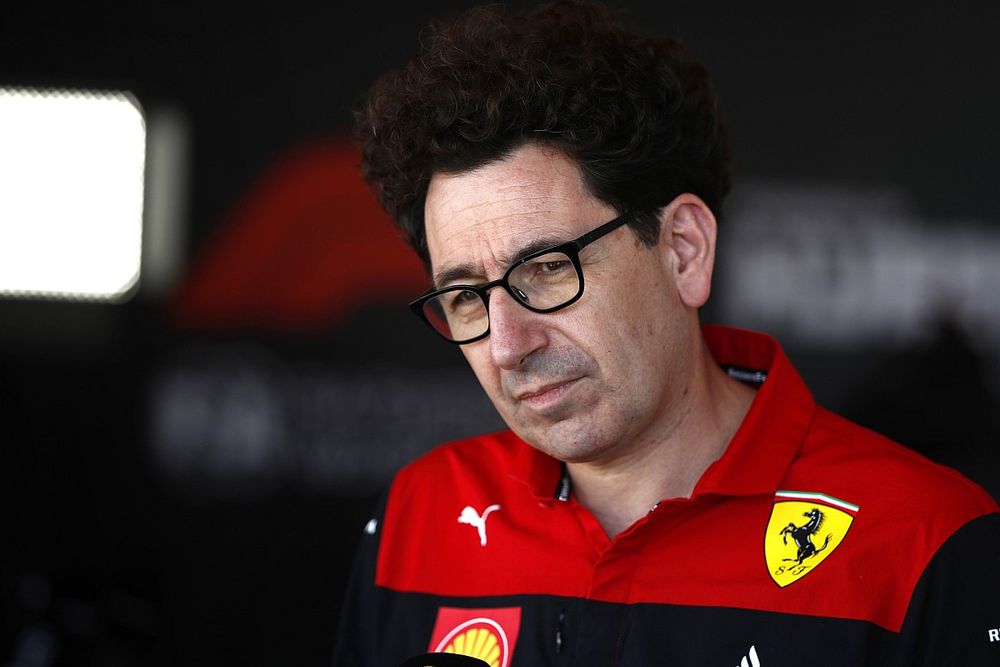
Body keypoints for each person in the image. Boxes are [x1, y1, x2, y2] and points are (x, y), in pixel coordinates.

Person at [334, 1, 1000, 665]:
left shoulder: (930, 543)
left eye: (544, 269)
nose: (508, 344)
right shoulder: (416, 518)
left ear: (683, 250)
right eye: (465, 297)